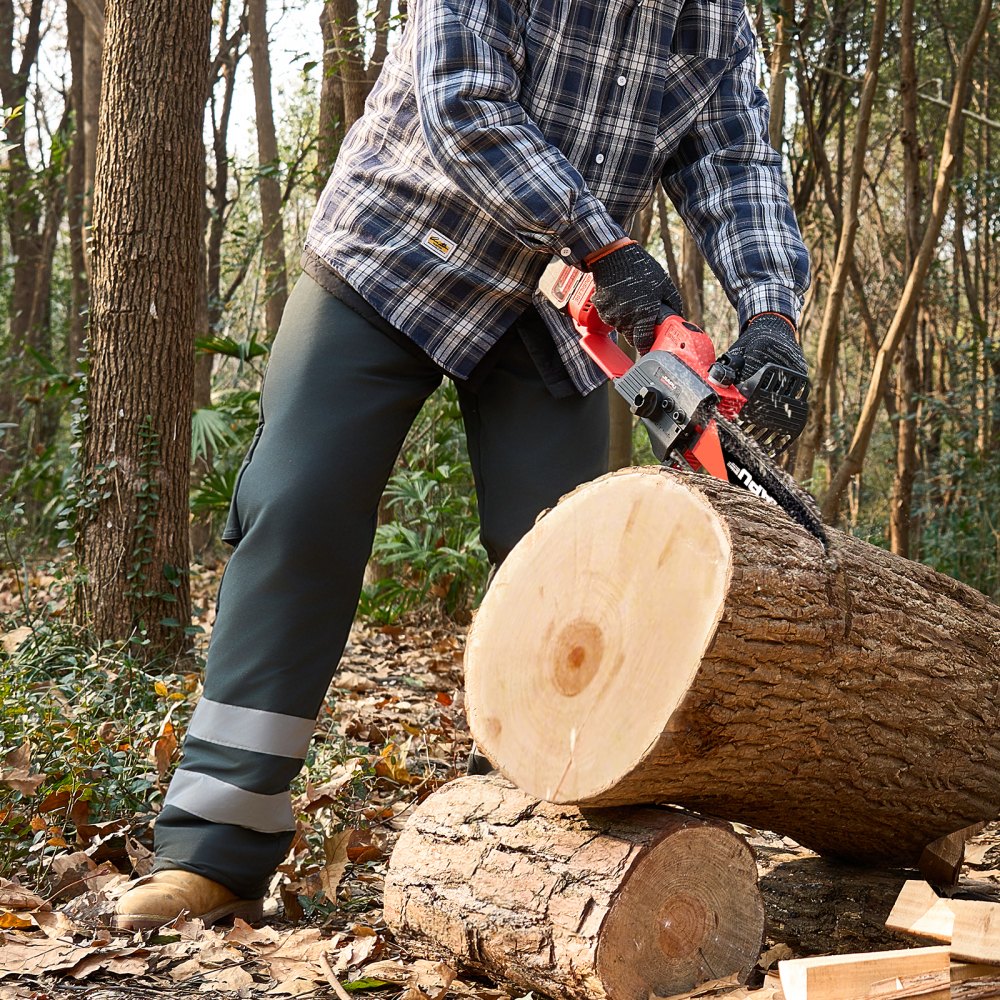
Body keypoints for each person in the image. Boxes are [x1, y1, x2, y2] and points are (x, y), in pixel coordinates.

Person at [114, 0, 809, 930]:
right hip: (395, 253)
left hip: (557, 309)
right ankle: (213, 850)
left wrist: (771, 313)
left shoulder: (714, 18)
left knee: (567, 571)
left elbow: (737, 162)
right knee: (301, 505)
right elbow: (463, 99)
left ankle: (520, 842)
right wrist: (607, 245)